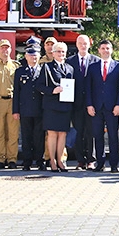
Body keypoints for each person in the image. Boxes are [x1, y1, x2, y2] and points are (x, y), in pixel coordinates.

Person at [84, 40, 119, 172]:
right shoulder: (92, 67)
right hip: (96, 107)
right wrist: (89, 105)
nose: (105, 50)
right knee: (98, 136)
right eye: (103, 48)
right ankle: (100, 163)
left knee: (113, 136)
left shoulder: (118, 66)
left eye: (107, 48)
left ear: (112, 50)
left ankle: (114, 164)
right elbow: (88, 88)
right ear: (98, 50)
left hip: (112, 107)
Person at [37, 42, 75, 173]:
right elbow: (40, 85)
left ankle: (60, 160)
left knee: (63, 134)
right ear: (52, 53)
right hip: (51, 106)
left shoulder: (70, 68)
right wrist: (52, 90)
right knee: (52, 134)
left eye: (63, 52)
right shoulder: (46, 67)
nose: (61, 54)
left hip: (65, 106)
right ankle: (52, 160)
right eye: (58, 51)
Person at [66, 34, 100, 169]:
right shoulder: (69, 62)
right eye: (80, 43)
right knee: (78, 132)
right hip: (76, 104)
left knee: (91, 132)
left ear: (89, 44)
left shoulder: (96, 61)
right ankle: (80, 160)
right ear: (76, 44)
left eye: (85, 43)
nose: (83, 46)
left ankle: (91, 160)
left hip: (92, 104)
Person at [0, 39, 20, 169]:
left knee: (13, 133)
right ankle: (0, 159)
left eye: (7, 48)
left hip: (12, 101)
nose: (5, 50)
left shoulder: (16, 66)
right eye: (2, 48)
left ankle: (12, 159)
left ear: (11, 50)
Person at [14, 46, 45, 171]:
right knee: (26, 137)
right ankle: (27, 161)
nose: (34, 57)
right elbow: (16, 92)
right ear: (26, 56)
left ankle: (39, 160)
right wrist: (15, 110)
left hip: (40, 109)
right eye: (31, 55)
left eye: (36, 55)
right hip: (25, 109)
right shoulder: (20, 71)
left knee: (39, 137)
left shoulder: (43, 70)